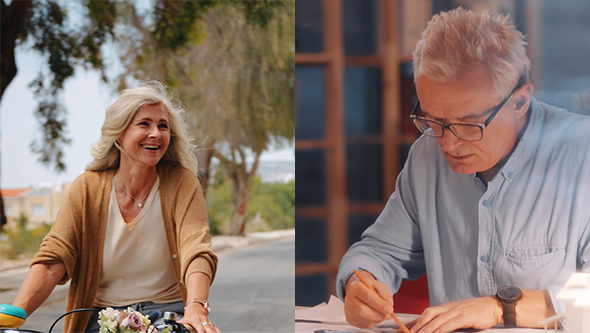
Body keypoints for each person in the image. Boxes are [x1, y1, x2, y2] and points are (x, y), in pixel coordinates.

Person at [337, 7, 590, 333]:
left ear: (519, 102)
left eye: (468, 125)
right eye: (432, 121)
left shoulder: (582, 153)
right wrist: (360, 284)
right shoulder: (426, 157)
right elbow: (379, 252)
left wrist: (500, 309)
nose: (447, 145)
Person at [5, 82, 220, 333]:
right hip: (101, 318)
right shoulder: (87, 187)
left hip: (166, 315)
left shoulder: (181, 182)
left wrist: (196, 307)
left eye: (163, 126)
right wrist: (13, 316)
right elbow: (54, 259)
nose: (156, 134)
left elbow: (196, 251)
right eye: (144, 124)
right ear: (119, 132)